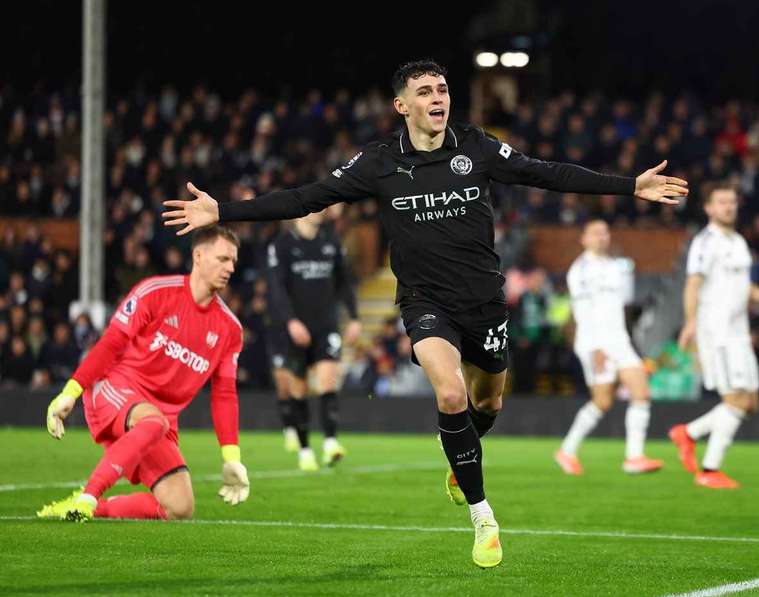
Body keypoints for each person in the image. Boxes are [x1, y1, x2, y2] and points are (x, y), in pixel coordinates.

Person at [162, 59, 688, 568]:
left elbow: (545, 173)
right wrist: (223, 210)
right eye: (425, 92)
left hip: (484, 301)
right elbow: (307, 198)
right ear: (402, 105)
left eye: (442, 90)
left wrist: (630, 185)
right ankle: (483, 518)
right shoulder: (379, 162)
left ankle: (460, 457)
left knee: (488, 401)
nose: (439, 99)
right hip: (425, 303)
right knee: (452, 394)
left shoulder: (476, 145)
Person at [36, 226, 249, 521]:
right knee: (153, 422)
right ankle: (87, 497)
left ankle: (92, 507)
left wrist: (231, 458)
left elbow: (224, 394)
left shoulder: (230, 330)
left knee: (179, 507)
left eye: (234, 261)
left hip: (158, 419)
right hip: (113, 389)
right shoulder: (156, 292)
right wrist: (71, 391)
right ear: (198, 256)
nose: (230, 268)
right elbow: (111, 343)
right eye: (223, 259)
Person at [670, 185, 759, 489]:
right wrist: (690, 322)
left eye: (732, 201)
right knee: (736, 400)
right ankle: (709, 470)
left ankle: (688, 433)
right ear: (709, 208)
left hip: (738, 332)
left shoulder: (738, 242)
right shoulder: (705, 242)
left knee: (751, 403)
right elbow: (693, 284)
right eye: (722, 202)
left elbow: (740, 285)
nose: (729, 207)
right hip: (716, 332)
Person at [555, 220, 663, 476]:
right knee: (603, 401)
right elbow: (584, 312)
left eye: (604, 232)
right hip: (595, 342)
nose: (601, 237)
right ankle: (568, 450)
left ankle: (633, 457)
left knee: (640, 392)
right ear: (584, 239)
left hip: (619, 339)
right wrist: (597, 348)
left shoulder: (617, 268)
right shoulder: (580, 271)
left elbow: (622, 308)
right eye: (595, 233)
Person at [266, 210, 362, 470]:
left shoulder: (331, 241)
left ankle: (330, 442)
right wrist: (290, 321)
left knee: (328, 380)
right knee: (298, 389)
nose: (320, 210)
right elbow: (277, 288)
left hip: (326, 326)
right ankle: (305, 450)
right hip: (296, 328)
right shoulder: (282, 245)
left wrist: (354, 317)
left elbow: (344, 282)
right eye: (314, 206)